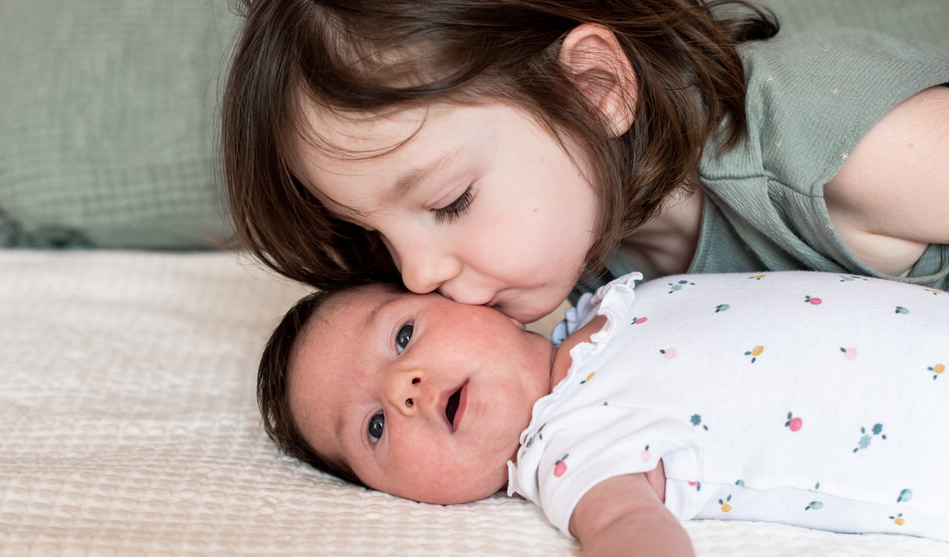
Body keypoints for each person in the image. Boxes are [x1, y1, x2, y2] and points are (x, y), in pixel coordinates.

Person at [260, 270, 949, 557]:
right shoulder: (569, 449)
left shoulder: (601, 303)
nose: (401, 387)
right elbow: (631, 527)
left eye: (403, 335)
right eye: (373, 427)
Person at [221, 0, 949, 324]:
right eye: (374, 233)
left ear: (594, 90)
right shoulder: (593, 257)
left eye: (450, 203)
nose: (416, 275)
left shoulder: (831, 143)